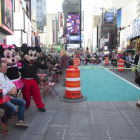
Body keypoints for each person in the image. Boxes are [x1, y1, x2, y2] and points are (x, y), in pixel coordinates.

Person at [0, 61, 28, 131]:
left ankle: (20, 121)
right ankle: (2, 121)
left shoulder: (4, 75)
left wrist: (14, 88)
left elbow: (11, 83)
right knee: (13, 108)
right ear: (0, 68)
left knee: (23, 102)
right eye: (4, 67)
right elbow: (0, 91)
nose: (6, 68)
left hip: (9, 97)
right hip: (1, 99)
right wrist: (11, 92)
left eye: (6, 66)